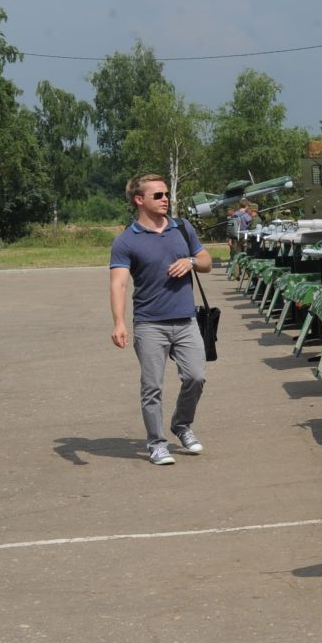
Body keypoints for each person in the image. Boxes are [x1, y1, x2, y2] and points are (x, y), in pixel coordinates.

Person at [109, 174, 214, 466]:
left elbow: (207, 261)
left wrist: (191, 261)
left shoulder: (182, 228)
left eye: (166, 194)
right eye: (158, 195)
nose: (165, 198)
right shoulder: (126, 241)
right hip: (150, 323)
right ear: (139, 200)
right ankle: (156, 443)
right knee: (152, 386)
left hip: (186, 320)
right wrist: (119, 322)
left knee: (196, 377)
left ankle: (181, 425)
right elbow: (118, 284)